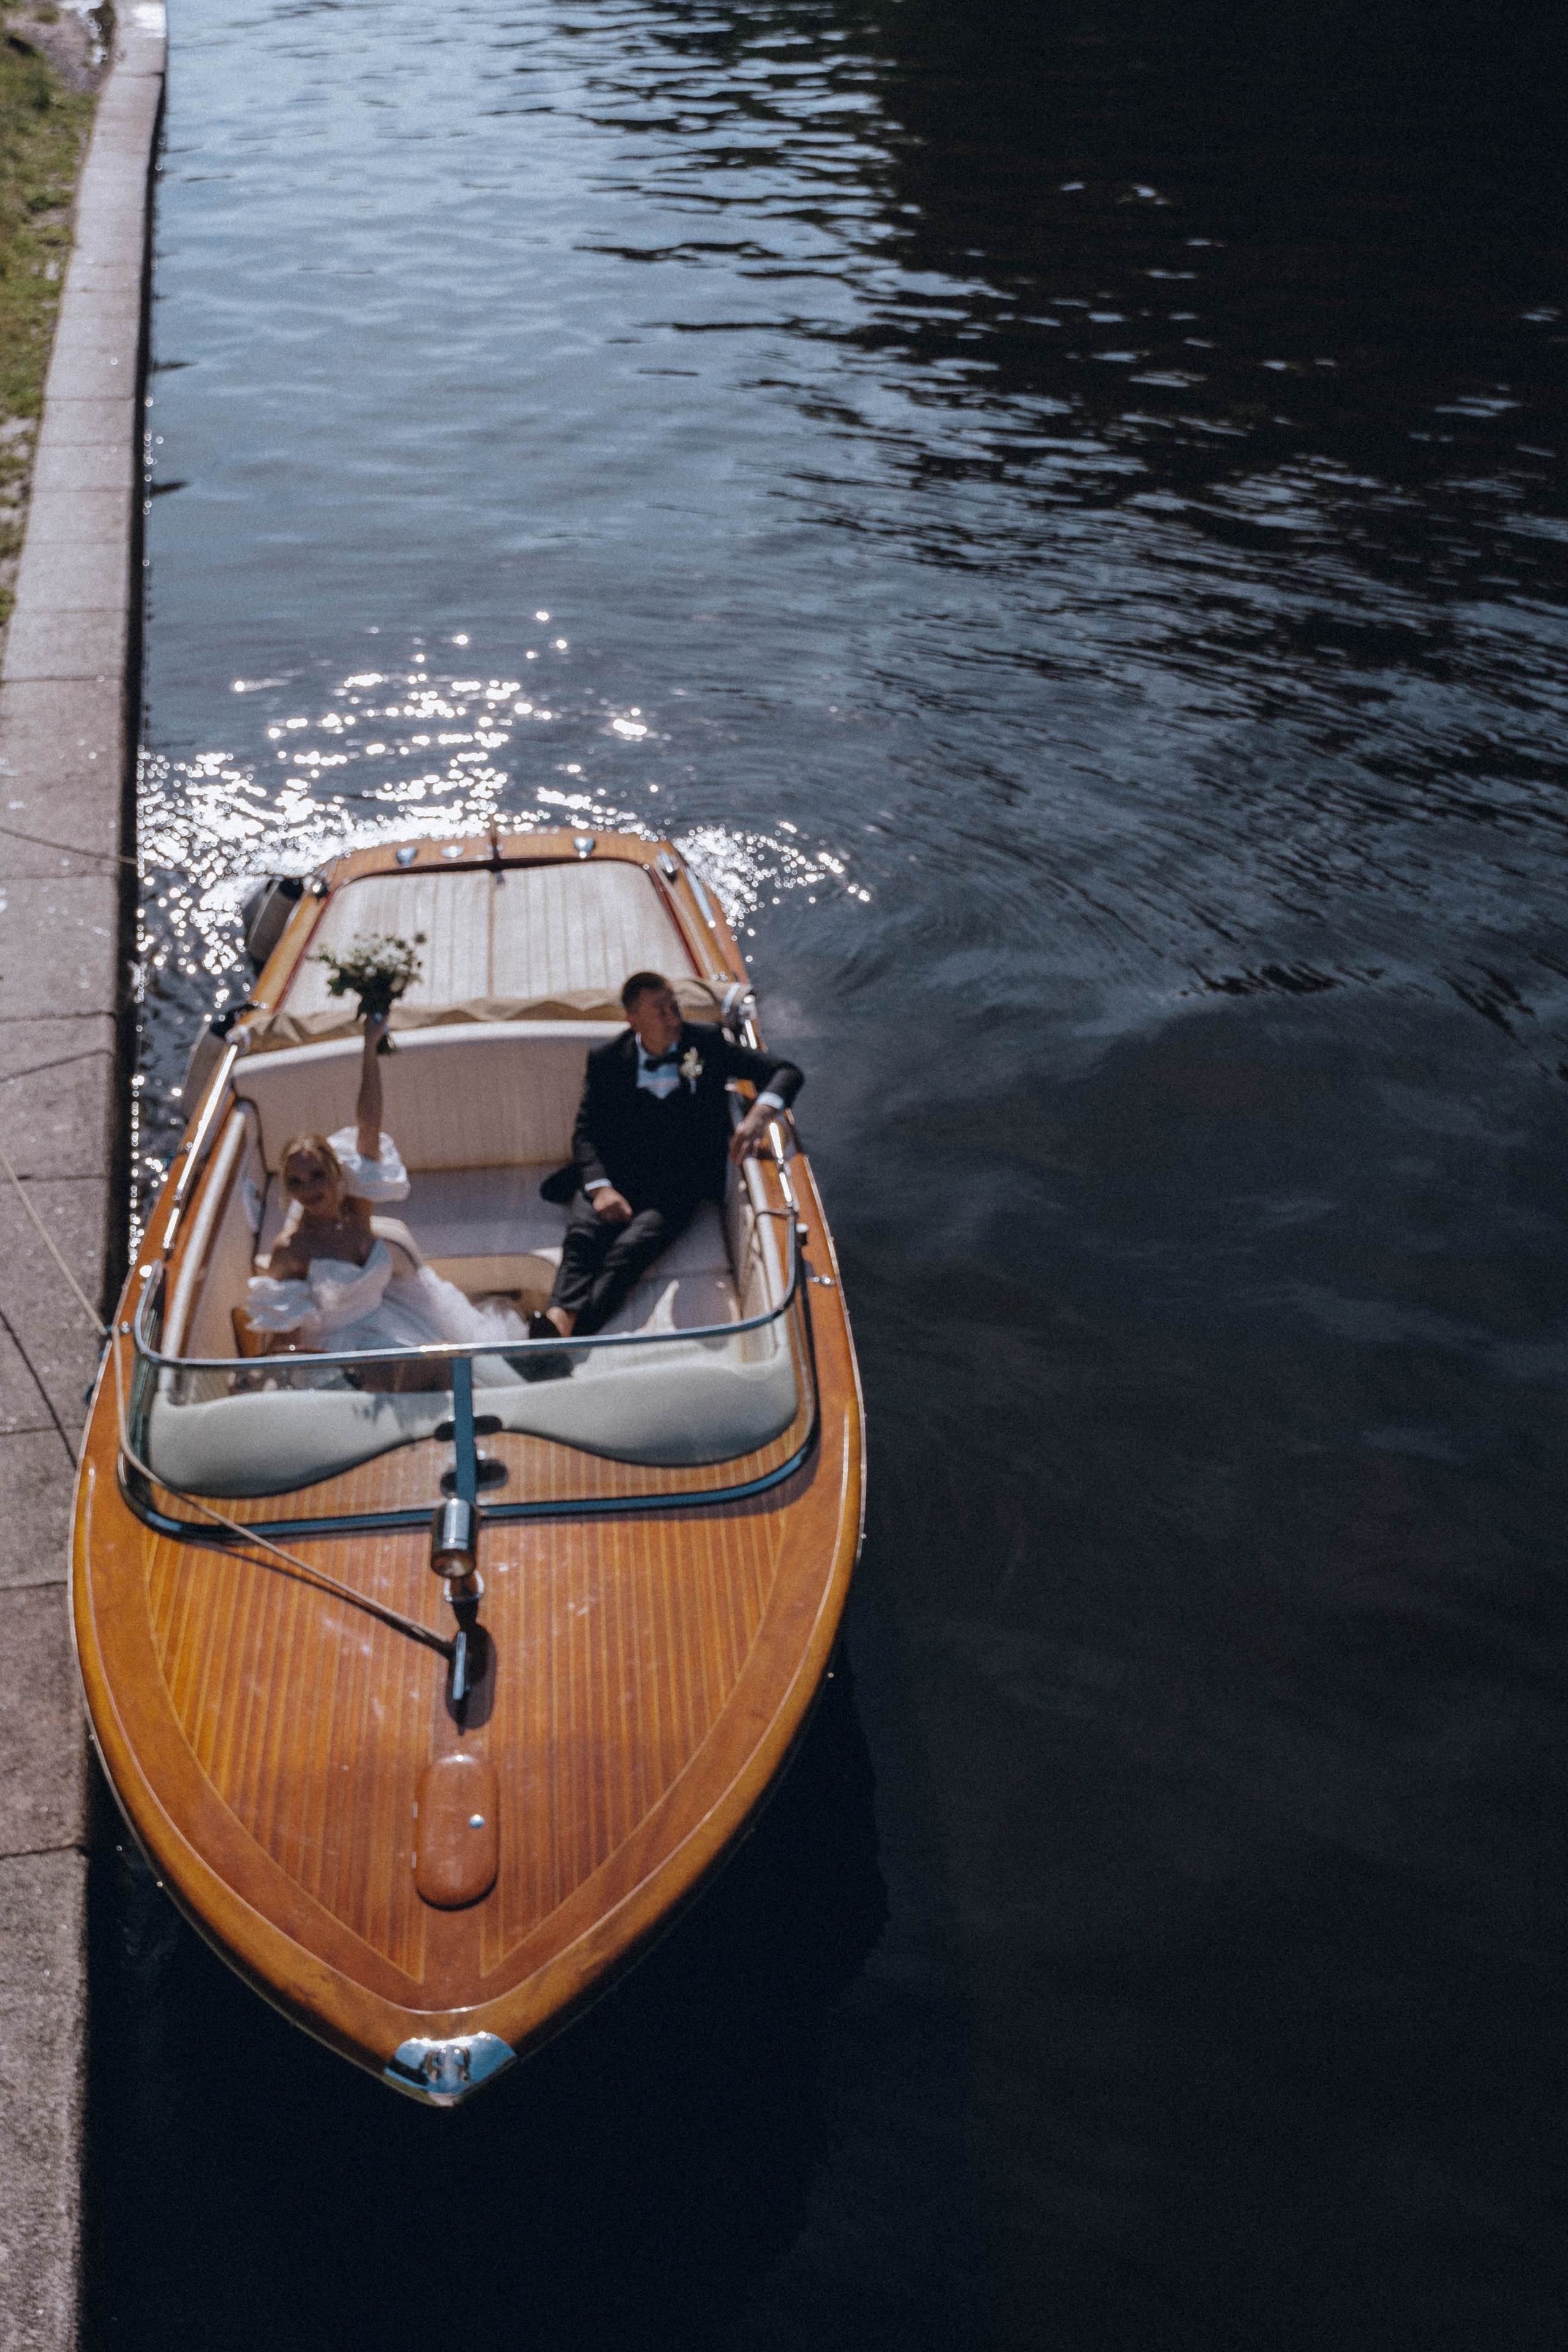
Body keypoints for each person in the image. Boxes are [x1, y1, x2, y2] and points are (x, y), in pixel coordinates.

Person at [525, 971, 804, 1370]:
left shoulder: (705, 1044)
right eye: (661, 1011)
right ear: (633, 1021)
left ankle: (559, 1336)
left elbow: (787, 1072)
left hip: (678, 1183)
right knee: (583, 1238)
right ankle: (556, 1325)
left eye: (675, 1006)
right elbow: (586, 1133)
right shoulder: (607, 1059)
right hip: (617, 1173)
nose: (674, 1017)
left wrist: (760, 1114)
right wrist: (602, 1188)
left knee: (630, 1253)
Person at [243, 1011, 526, 1382]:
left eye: (317, 1176)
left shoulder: (357, 1209)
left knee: (458, 1367)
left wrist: (369, 1050)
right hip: (337, 1356)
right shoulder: (291, 1248)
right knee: (435, 1375)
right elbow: (286, 1339)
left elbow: (370, 1125)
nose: (309, 1190)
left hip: (389, 1324)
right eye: (296, 1182)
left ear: (336, 1174)